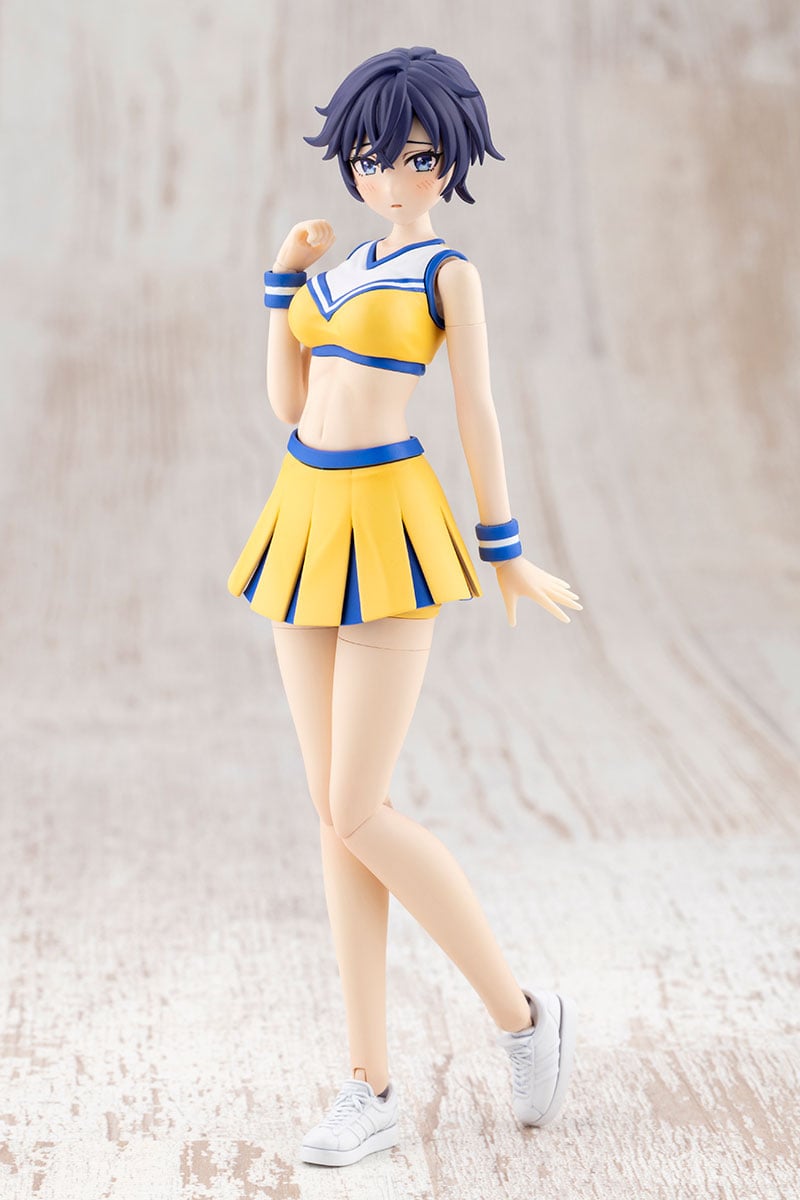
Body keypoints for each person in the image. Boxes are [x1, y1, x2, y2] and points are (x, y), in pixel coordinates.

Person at [227, 45, 582, 1168]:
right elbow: (289, 402)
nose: (390, 177)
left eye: (417, 158)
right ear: (352, 161)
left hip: (389, 527)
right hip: (302, 521)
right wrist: (280, 284)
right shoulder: (334, 275)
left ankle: (520, 1017)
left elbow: (476, 412)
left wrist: (504, 548)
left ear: (450, 163)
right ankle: (367, 1083)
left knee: (357, 808)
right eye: (373, 158)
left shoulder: (446, 276)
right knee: (334, 817)